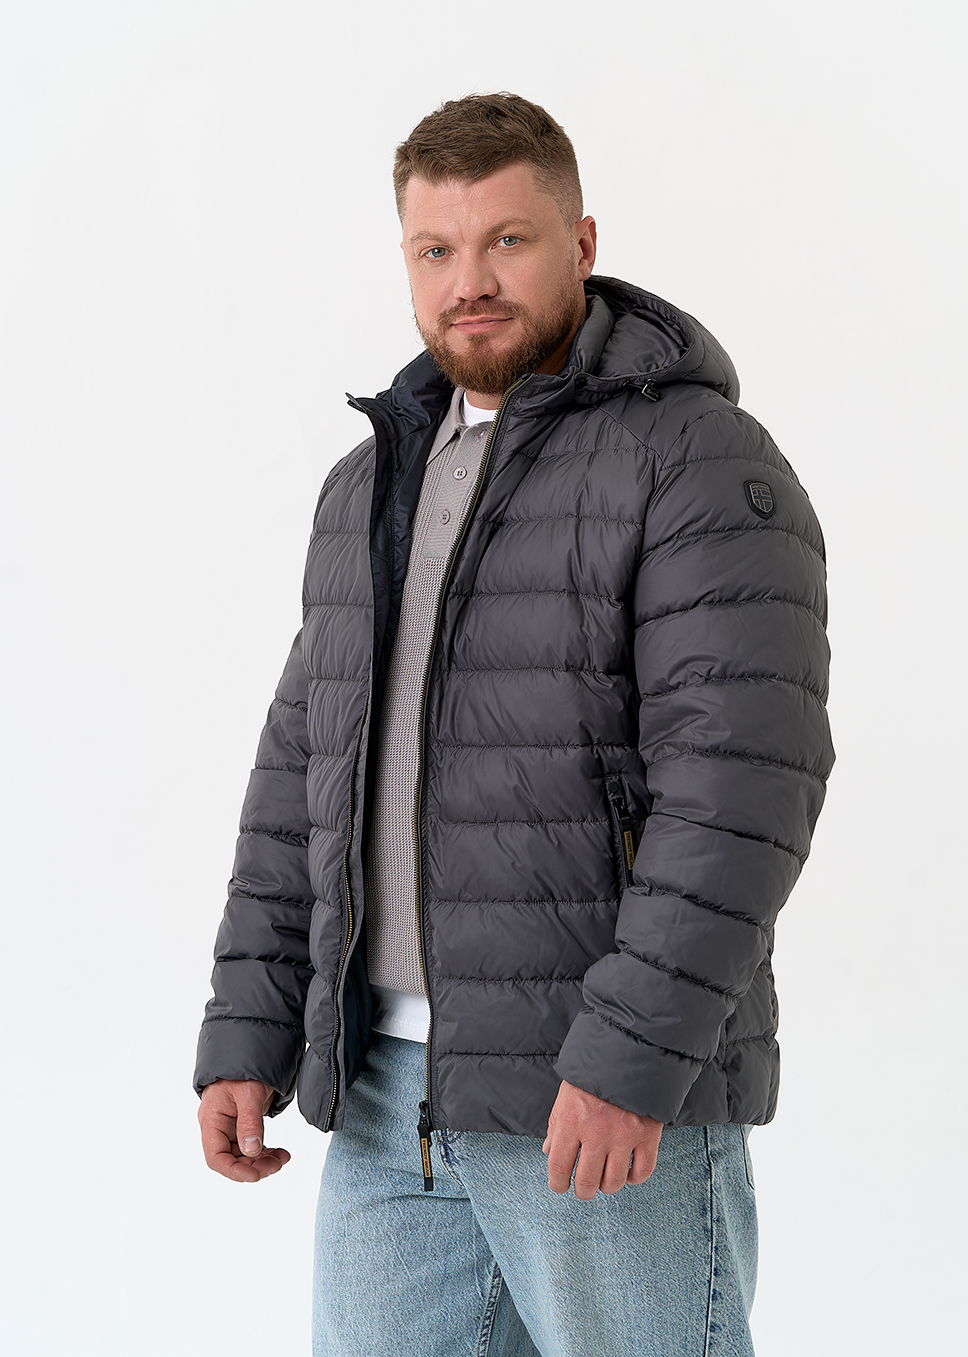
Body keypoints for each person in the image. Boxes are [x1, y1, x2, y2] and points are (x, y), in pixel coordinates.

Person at [194, 92, 834, 1356]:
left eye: (506, 240)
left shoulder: (692, 459)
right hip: (383, 1096)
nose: (468, 282)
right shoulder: (369, 482)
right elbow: (301, 774)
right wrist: (247, 1026)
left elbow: (740, 784)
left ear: (579, 243)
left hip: (593, 1091)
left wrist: (631, 1054)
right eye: (435, 249)